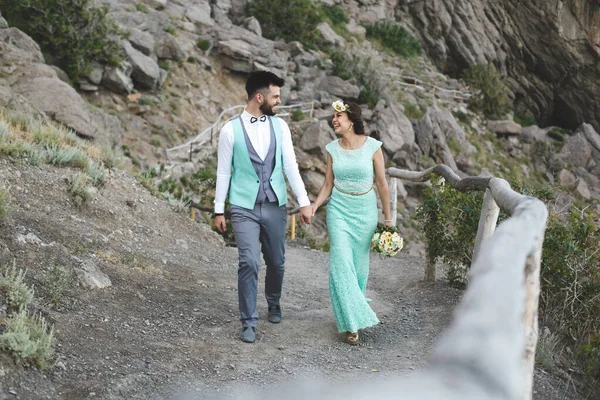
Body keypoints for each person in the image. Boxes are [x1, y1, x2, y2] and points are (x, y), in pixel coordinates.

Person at [213, 71, 313, 343]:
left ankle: (273, 301)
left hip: (274, 204)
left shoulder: (280, 127)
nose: (279, 101)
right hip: (243, 206)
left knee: (277, 262)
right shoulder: (229, 130)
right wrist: (219, 209)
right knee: (248, 261)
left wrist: (304, 202)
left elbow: (290, 166)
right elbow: (223, 173)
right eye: (275, 96)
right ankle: (248, 321)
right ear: (260, 97)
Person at [310, 100, 392, 345]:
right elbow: (327, 185)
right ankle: (352, 323)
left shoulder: (373, 147)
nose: (334, 120)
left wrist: (388, 220)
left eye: (339, 116)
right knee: (340, 261)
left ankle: (352, 318)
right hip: (339, 211)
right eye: (333, 117)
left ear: (352, 119)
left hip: (365, 212)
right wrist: (314, 206)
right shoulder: (331, 149)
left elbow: (382, 184)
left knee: (358, 267)